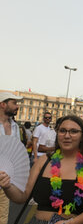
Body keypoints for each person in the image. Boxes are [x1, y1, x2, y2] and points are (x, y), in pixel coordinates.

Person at [0, 115, 83, 223]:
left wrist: (69, 223)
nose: (67, 136)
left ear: (82, 136)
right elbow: (22, 197)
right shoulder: (44, 160)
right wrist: (8, 186)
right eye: (62, 131)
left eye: (73, 131)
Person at [0, 91, 22, 224]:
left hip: (5, 183)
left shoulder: (14, 127)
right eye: (14, 103)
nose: (17, 106)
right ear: (3, 104)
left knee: (2, 218)